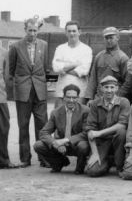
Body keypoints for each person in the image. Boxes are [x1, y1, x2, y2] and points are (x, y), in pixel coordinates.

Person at [9, 16, 49, 168]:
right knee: (23, 125)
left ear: (38, 30)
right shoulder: (16, 46)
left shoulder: (44, 45)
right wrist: (20, 85)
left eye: (35, 30)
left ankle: (44, 158)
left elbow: (44, 67)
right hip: (23, 91)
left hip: (40, 90)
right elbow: (11, 70)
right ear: (25, 30)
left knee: (42, 125)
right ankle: (25, 158)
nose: (32, 33)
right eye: (30, 30)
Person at [34, 84, 90, 174]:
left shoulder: (85, 111)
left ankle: (80, 168)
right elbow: (44, 132)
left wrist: (66, 140)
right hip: (61, 146)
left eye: (74, 97)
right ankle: (59, 163)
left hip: (77, 143)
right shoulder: (56, 112)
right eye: (68, 97)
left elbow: (86, 133)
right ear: (63, 97)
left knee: (83, 146)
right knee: (38, 145)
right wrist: (55, 143)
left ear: (78, 98)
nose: (71, 100)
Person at [85, 75, 130, 177]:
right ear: (101, 89)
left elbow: (122, 125)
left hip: (118, 140)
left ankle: (119, 165)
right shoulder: (95, 104)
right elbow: (90, 130)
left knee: (121, 133)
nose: (109, 90)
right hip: (102, 142)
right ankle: (106, 162)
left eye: (112, 87)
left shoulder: (124, 102)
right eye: (106, 87)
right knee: (92, 171)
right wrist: (95, 153)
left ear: (117, 88)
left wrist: (99, 132)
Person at [52, 21, 92, 106]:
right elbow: (56, 67)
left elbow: (84, 71)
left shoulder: (86, 49)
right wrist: (75, 64)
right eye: (69, 31)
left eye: (74, 31)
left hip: (79, 92)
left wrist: (64, 68)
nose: (72, 33)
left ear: (79, 32)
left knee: (78, 118)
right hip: (61, 92)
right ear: (66, 33)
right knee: (60, 117)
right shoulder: (60, 48)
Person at [85, 27, 130, 101]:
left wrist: (118, 96)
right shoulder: (99, 56)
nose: (108, 40)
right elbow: (93, 79)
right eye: (106, 38)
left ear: (117, 38)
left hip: (115, 100)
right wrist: (90, 98)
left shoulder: (123, 58)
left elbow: (128, 83)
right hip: (98, 99)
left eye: (111, 38)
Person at [0, 47, 18, 169]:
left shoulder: (3, 52)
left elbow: (7, 75)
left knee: (3, 129)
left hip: (0, 97)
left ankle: (3, 160)